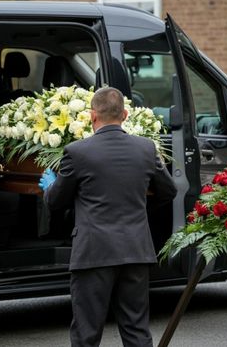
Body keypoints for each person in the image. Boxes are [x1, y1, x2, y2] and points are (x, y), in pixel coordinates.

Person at [39, 87, 177, 347]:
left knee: (86, 334)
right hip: (135, 249)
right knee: (136, 331)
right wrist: (139, 208)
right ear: (125, 114)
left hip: (94, 252)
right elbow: (168, 191)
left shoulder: (77, 152)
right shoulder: (146, 148)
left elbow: (57, 202)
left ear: (92, 116)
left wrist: (49, 186)